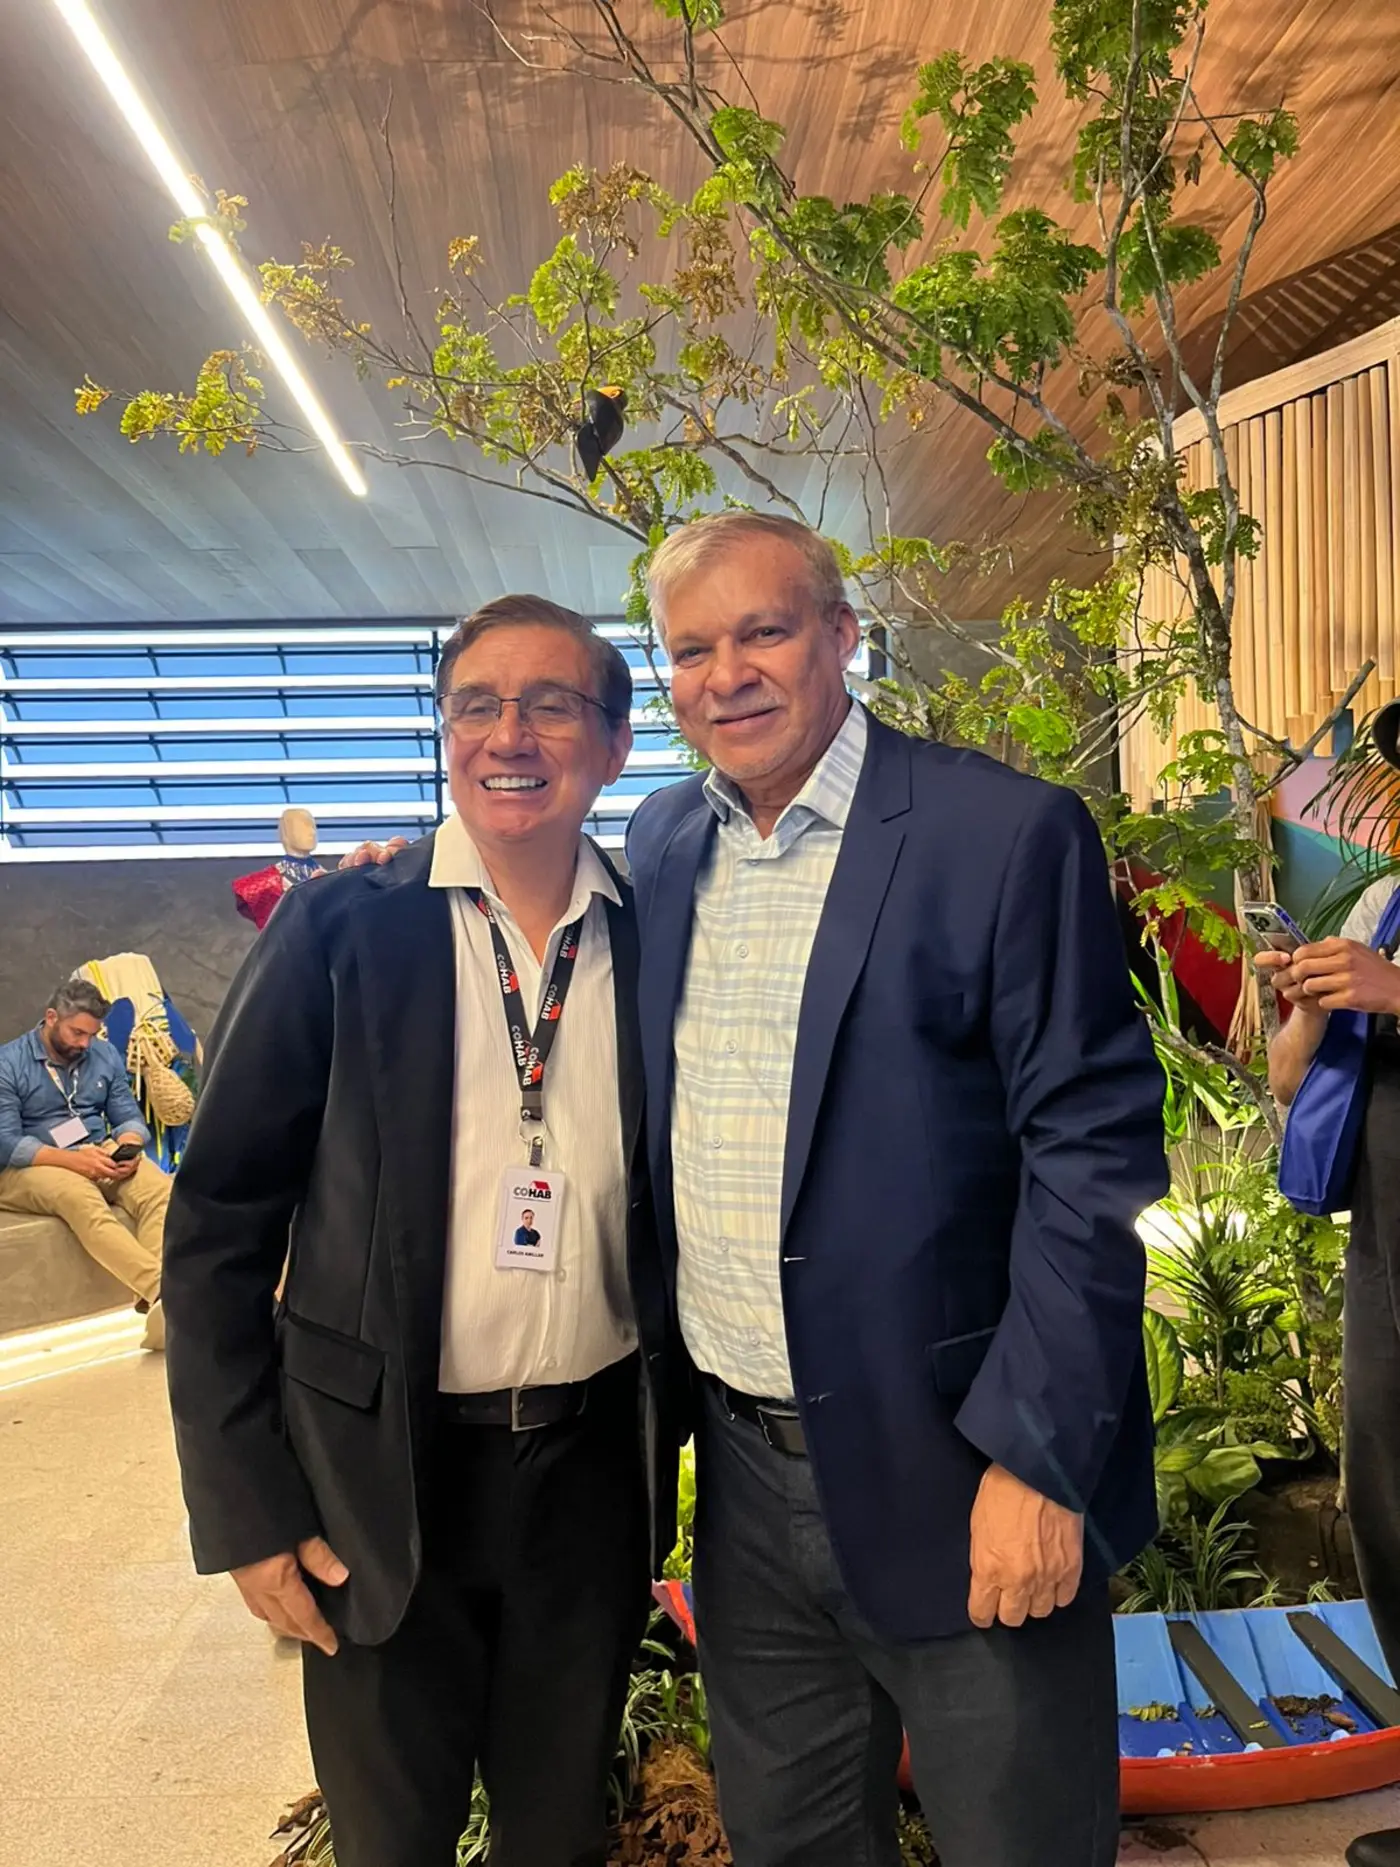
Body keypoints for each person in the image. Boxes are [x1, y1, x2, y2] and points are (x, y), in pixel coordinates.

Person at [624, 511, 1169, 1867]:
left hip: (967, 1470)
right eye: (691, 649)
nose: (726, 674)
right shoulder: (662, 844)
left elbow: (1090, 1155)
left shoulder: (1001, 833)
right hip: (744, 1487)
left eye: (763, 631)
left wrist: (1039, 1458)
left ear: (842, 636)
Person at [161, 596, 684, 1867]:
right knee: (390, 1841)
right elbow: (219, 1224)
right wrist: (246, 1507)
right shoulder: (344, 928)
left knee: (556, 1836)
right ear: (444, 731)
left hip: (588, 1479)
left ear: (614, 743)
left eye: (550, 704)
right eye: (475, 706)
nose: (509, 735)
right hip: (378, 1477)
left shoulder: (657, 934)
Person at [1256, 699, 1400, 1867]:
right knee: (1383, 1501)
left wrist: (1392, 990)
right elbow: (1287, 1081)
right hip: (1383, 1243)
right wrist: (1301, 1010)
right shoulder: (1376, 904)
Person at [0, 978, 168, 1350]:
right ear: (51, 1018)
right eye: (77, 1033)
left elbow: (128, 1116)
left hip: (96, 1149)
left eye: (91, 1035)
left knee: (162, 1190)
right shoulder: (7, 1064)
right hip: (28, 1164)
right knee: (80, 1198)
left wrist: (128, 1145)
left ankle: (157, 1305)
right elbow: (6, 1144)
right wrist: (74, 1162)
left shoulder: (103, 1054)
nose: (84, 1044)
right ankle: (163, 1290)